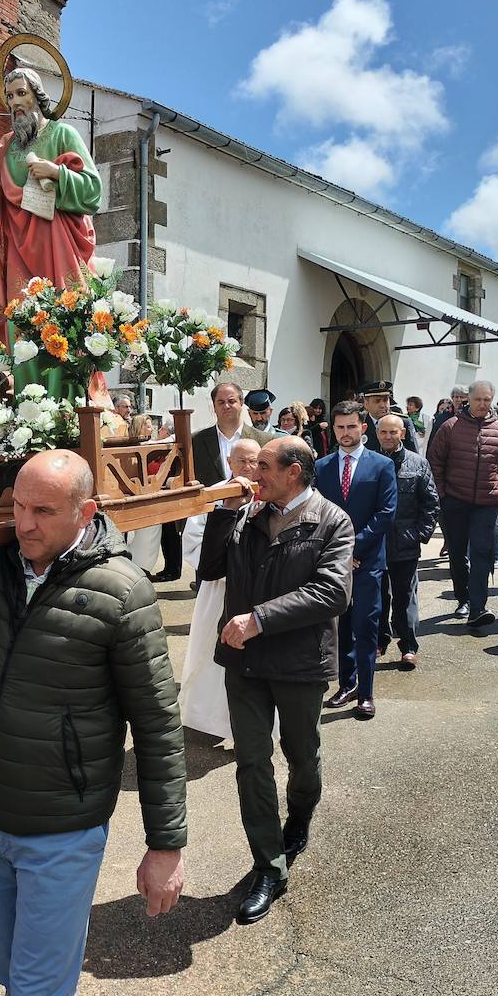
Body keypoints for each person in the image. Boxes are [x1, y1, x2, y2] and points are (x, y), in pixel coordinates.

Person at [0, 450, 187, 996]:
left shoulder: (122, 592)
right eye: (17, 506)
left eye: (44, 511)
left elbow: (157, 725)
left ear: (86, 511)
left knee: (37, 989)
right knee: (12, 970)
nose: (25, 523)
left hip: (61, 828)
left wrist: (165, 844)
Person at [200, 436, 354, 924]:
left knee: (302, 756)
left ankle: (300, 818)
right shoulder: (247, 514)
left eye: (263, 464)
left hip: (299, 661)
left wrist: (259, 619)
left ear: (294, 472)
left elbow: (331, 592)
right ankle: (269, 865)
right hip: (244, 662)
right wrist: (224, 512)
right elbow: (209, 569)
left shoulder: (333, 521)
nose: (253, 471)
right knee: (251, 761)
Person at [0, 67, 102, 400]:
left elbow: (93, 193)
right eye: (10, 96)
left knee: (63, 327)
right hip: (18, 252)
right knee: (22, 329)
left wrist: (56, 172)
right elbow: (2, 204)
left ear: (38, 96)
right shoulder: (5, 146)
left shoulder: (63, 134)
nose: (15, 102)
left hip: (57, 248)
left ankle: (69, 410)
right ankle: (30, 410)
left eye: (21, 93)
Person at [317, 401, 397, 717]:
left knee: (365, 625)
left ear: (363, 428)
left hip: (367, 562)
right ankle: (346, 685)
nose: (346, 433)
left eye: (352, 426)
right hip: (334, 563)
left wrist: (353, 549)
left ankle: (366, 692)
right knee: (340, 625)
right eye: (340, 427)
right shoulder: (322, 468)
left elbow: (386, 514)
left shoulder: (381, 465)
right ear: (333, 428)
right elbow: (319, 513)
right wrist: (338, 553)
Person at [181, 438, 263, 742]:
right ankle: (208, 717)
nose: (247, 467)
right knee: (209, 651)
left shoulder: (268, 494)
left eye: (253, 461)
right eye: (240, 461)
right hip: (218, 587)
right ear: (229, 463)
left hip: (254, 592)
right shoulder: (214, 494)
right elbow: (193, 540)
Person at [426, 380, 498, 628]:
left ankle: (478, 607)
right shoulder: (450, 427)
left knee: (482, 554)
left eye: (487, 400)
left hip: (487, 503)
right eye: (478, 399)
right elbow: (435, 463)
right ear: (468, 400)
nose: (483, 404)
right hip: (455, 501)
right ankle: (463, 598)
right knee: (457, 554)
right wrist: (442, 495)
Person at [374, 413, 439, 668]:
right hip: (376, 543)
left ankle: (409, 646)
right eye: (384, 432)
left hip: (405, 543)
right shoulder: (370, 461)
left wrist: (419, 535)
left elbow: (431, 503)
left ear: (402, 433)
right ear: (377, 434)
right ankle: (380, 640)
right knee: (378, 597)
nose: (388, 437)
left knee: (405, 597)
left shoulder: (417, 464)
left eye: (393, 432)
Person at [191, 381, 273, 485]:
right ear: (214, 407)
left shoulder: (265, 440)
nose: (226, 406)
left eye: (231, 401)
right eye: (221, 402)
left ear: (241, 403)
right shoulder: (195, 441)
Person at [359, 380, 418, 453]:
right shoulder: (359, 423)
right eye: (377, 401)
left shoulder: (403, 422)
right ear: (366, 404)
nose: (382, 405)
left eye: (385, 400)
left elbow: (413, 454)